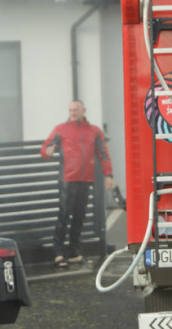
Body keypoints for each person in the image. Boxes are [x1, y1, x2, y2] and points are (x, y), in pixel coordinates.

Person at [40, 100, 115, 268]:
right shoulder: (61, 129)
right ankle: (58, 253)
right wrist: (47, 152)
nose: (72, 113)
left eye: (75, 110)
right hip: (67, 179)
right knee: (64, 215)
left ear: (83, 111)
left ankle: (74, 253)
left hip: (85, 179)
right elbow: (45, 147)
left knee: (79, 217)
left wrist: (108, 175)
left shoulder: (94, 131)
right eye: (70, 110)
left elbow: (103, 154)